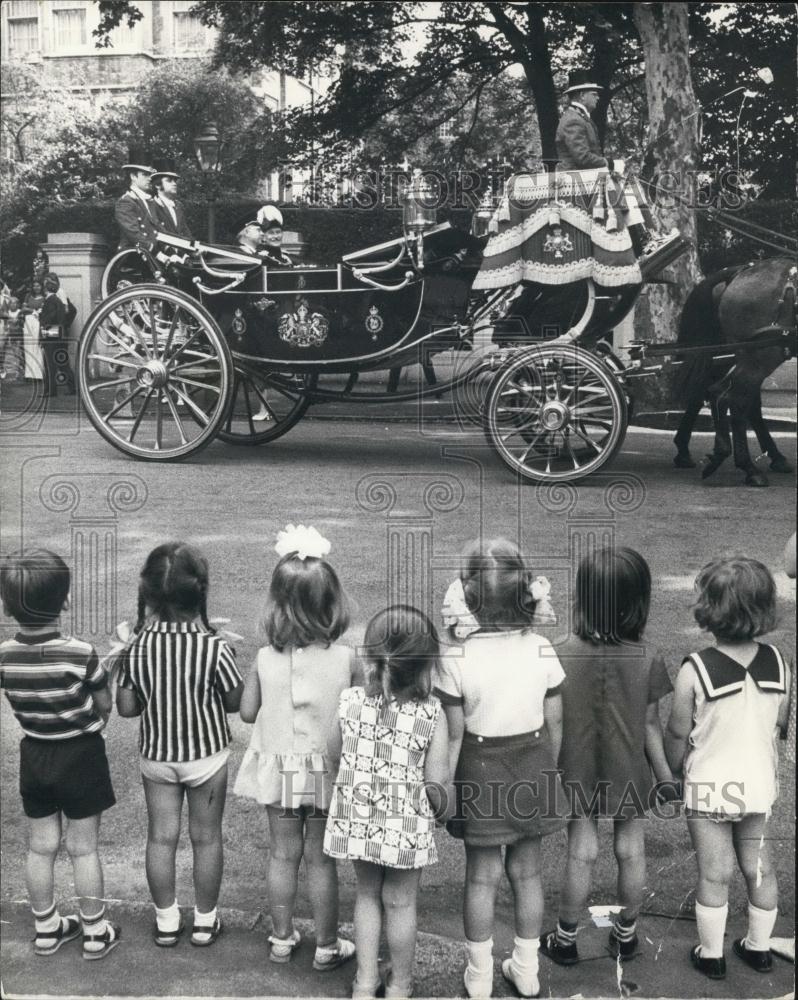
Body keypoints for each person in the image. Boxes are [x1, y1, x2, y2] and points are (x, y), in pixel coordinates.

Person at [434, 538, 567, 999]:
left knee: (481, 877)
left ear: (465, 598)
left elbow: (451, 734)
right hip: (533, 766)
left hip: (479, 769)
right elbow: (555, 723)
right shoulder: (541, 649)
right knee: (528, 874)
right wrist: (551, 772)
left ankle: (479, 974)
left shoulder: (454, 658)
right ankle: (526, 968)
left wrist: (444, 790)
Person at [540, 547, 676, 967]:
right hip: (629, 770)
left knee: (581, 850)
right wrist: (666, 776)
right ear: (639, 600)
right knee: (630, 849)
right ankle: (626, 935)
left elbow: (551, 722)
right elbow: (651, 724)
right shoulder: (648, 657)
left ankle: (565, 938)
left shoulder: (558, 652)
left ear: (582, 596)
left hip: (576, 768)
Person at [233, 523, 357, 970]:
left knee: (283, 854)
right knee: (323, 861)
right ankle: (327, 945)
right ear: (331, 603)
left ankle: (282, 938)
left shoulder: (265, 657)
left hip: (281, 771)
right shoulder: (346, 659)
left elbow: (247, 713)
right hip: (326, 771)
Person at [665, 557, 791, 980]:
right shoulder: (780, 664)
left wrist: (672, 768)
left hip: (710, 786)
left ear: (708, 610)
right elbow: (779, 722)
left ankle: (712, 954)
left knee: (714, 873)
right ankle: (758, 948)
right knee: (760, 868)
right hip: (757, 784)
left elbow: (678, 731)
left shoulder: (695, 669)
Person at [116, 542, 243, 948]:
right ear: (200, 593)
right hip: (206, 756)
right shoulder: (214, 647)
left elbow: (127, 707)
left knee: (160, 838)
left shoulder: (136, 648)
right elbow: (235, 702)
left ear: (148, 594)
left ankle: (167, 921)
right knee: (206, 838)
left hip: (157, 757)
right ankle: (205, 921)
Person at [324, 604, 451, 999]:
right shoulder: (432, 713)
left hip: (358, 814)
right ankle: (401, 984)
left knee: (366, 896)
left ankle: (364, 982)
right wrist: (442, 813)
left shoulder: (349, 702)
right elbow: (435, 782)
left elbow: (332, 753)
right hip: (404, 825)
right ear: (426, 665)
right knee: (400, 902)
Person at [0, 549, 120, 960]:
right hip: (80, 754)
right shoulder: (79, 652)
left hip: (35, 754)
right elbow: (103, 704)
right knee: (83, 848)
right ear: (65, 600)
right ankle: (94, 931)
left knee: (41, 846)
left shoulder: (4, 655)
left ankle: (47, 928)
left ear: (7, 605)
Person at [555, 70, 680, 260]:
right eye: (593, 94)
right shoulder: (572, 119)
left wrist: (612, 165)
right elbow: (582, 158)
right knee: (622, 187)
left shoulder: (579, 117)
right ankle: (644, 243)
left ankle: (650, 237)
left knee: (629, 184)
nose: (597, 97)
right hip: (575, 179)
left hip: (586, 176)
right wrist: (611, 163)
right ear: (581, 95)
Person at [114, 148, 160, 251]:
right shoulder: (126, 202)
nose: (150, 178)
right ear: (133, 176)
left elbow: (159, 231)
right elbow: (133, 234)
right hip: (134, 256)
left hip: (150, 255)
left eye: (150, 175)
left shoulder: (149, 201)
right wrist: (155, 251)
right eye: (145, 175)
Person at [38, 273, 76, 397]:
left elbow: (49, 319)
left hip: (51, 334)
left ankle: (50, 390)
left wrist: (42, 332)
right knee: (62, 362)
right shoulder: (58, 300)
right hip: (59, 334)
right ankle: (72, 387)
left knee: (49, 363)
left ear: (46, 288)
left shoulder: (51, 301)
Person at [151, 158, 193, 241]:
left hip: (181, 252)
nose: (174, 183)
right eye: (169, 180)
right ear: (157, 185)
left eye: (175, 180)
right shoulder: (152, 205)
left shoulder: (178, 205)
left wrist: (195, 248)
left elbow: (185, 232)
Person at [21, 278, 45, 385]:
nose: (36, 288)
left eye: (38, 285)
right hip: (28, 322)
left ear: (42, 287)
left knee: (37, 347)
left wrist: (37, 312)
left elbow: (43, 311)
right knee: (28, 347)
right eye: (34, 286)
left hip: (38, 323)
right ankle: (29, 374)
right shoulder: (28, 296)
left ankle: (38, 374)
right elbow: (23, 309)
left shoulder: (44, 298)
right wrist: (33, 310)